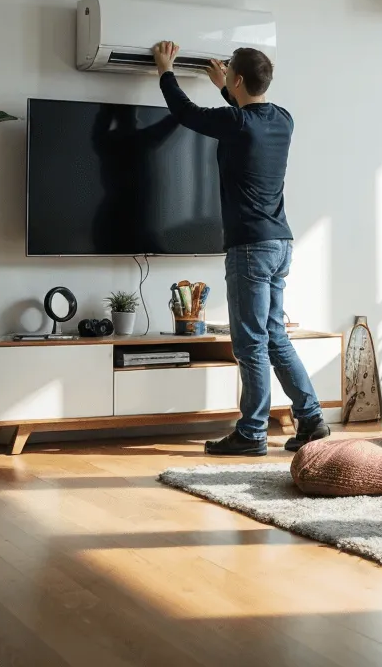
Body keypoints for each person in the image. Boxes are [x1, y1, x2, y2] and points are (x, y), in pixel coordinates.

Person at [152, 41, 330, 456]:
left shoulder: (236, 121)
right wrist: (225, 88)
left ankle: (251, 434)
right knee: (273, 338)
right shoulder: (283, 120)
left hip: (250, 246)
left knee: (250, 342)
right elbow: (246, 116)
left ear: (238, 80)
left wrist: (166, 70)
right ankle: (311, 419)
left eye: (229, 73)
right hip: (281, 242)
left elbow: (185, 114)